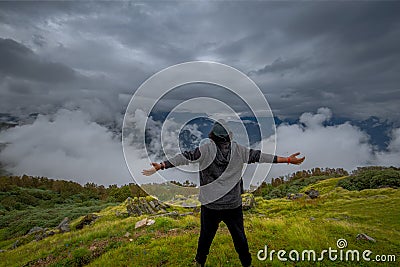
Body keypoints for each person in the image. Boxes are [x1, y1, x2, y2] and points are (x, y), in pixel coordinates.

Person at [142, 120, 305, 267]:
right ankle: (247, 263)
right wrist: (288, 160)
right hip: (233, 205)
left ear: (212, 136)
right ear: (229, 136)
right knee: (239, 236)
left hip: (210, 205)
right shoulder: (240, 151)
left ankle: (199, 262)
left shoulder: (205, 150)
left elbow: (185, 157)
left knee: (205, 236)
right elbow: (261, 157)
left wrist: (161, 165)